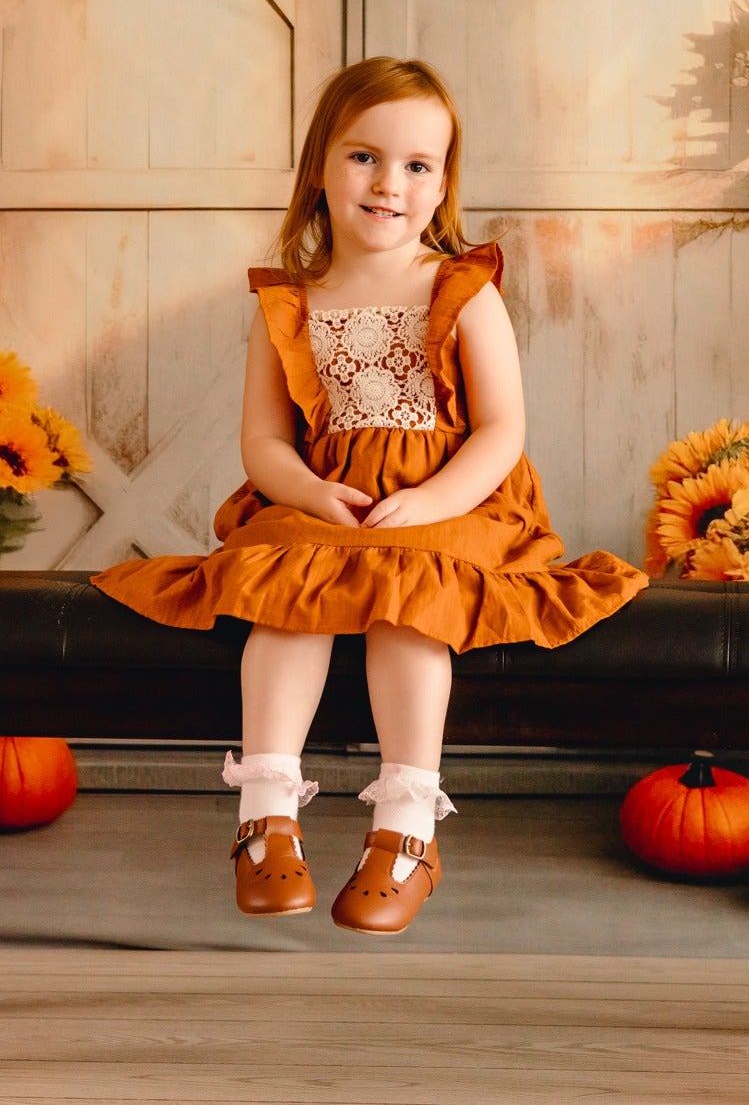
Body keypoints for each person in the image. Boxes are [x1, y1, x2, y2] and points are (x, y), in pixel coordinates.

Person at [92, 58, 646, 933]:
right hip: (330, 507)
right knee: (286, 592)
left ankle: (407, 830)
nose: (390, 183)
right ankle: (265, 816)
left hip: (453, 504)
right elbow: (263, 441)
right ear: (321, 164)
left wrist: (431, 501)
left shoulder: (461, 290)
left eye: (418, 166)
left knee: (410, 595)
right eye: (365, 157)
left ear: (442, 185)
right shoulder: (292, 302)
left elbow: (501, 431)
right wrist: (309, 488)